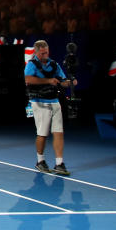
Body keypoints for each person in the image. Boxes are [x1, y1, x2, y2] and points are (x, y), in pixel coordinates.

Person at [25, 40, 75, 176]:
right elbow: (28, 80)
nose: (45, 54)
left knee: (58, 132)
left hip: (54, 101)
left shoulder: (54, 64)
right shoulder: (31, 64)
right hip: (39, 102)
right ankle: (40, 161)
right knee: (43, 133)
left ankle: (59, 163)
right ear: (36, 52)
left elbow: (63, 81)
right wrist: (48, 81)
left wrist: (70, 83)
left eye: (46, 52)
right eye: (42, 53)